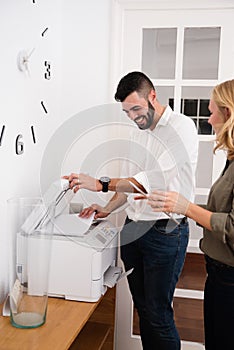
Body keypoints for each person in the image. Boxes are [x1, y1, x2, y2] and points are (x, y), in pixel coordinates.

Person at [63, 71, 198, 350]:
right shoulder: (140, 134)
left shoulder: (181, 129)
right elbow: (129, 185)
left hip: (165, 232)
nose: (133, 116)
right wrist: (106, 208)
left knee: (158, 314)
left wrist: (98, 183)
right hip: (134, 229)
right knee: (143, 309)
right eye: (127, 112)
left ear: (152, 96)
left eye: (136, 108)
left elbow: (146, 182)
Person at [146, 79, 234, 350]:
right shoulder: (231, 159)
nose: (208, 119)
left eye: (212, 112)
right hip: (219, 274)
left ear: (228, 114)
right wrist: (183, 206)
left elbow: (231, 226)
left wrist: (188, 208)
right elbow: (222, 212)